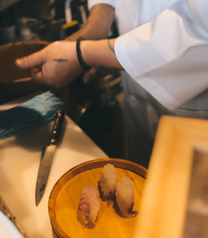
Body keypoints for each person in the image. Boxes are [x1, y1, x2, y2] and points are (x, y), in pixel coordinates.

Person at [15, 0, 208, 168]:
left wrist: (84, 53)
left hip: (194, 109)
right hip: (135, 93)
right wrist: (98, 24)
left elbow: (200, 34)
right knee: (136, 189)